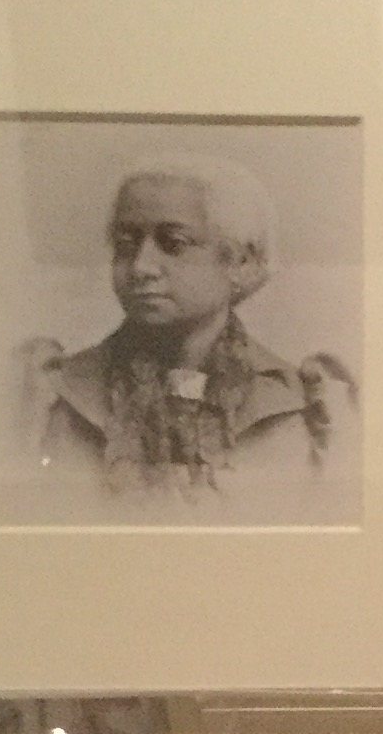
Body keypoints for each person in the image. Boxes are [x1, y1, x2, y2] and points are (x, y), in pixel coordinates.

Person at [23, 159, 350, 504]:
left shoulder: (306, 407)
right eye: (126, 243)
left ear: (242, 262)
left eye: (174, 243)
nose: (140, 267)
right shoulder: (54, 398)